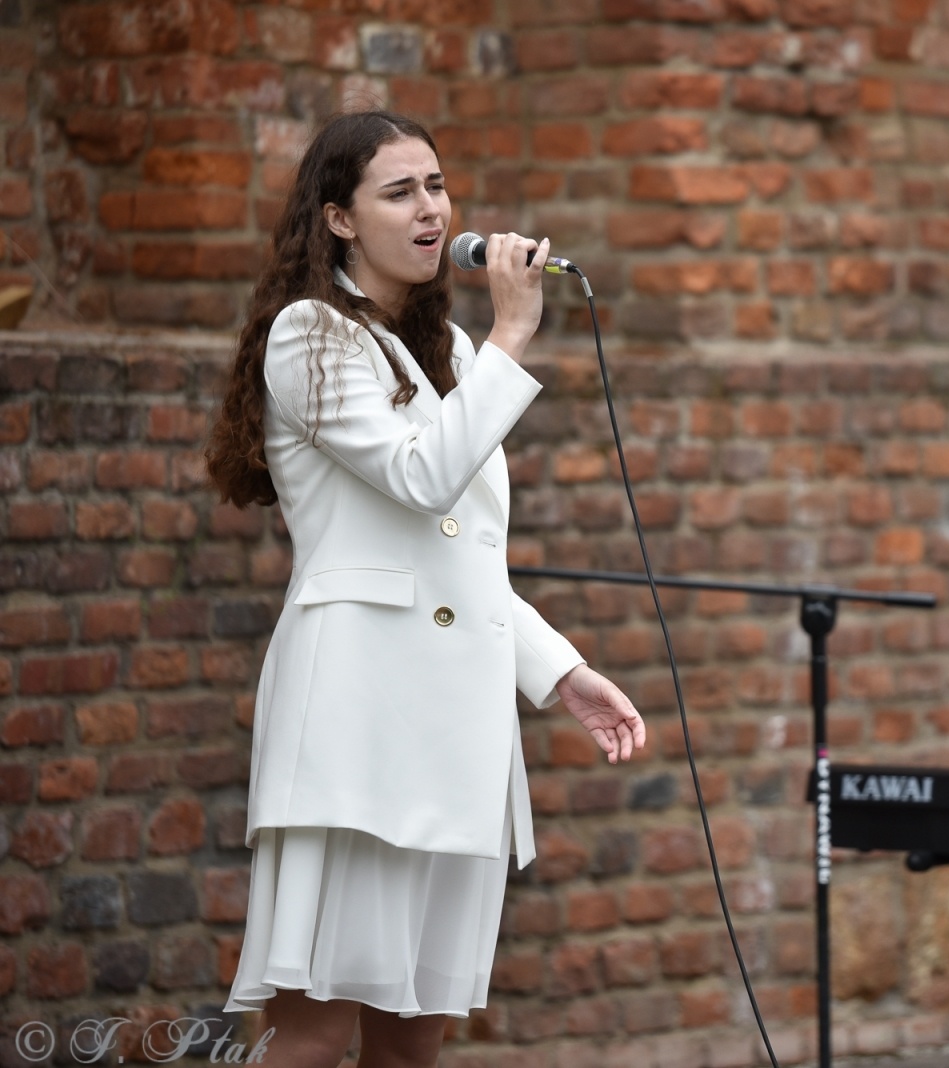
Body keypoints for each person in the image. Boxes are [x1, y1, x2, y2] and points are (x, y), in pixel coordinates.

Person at [205, 110, 647, 1068]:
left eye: (437, 186)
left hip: (453, 727)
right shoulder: (309, 336)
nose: (430, 209)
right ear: (338, 220)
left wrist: (560, 672)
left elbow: (454, 551)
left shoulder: (435, 347)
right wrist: (516, 333)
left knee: (415, 1042)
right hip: (357, 721)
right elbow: (418, 477)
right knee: (315, 1031)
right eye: (399, 192)